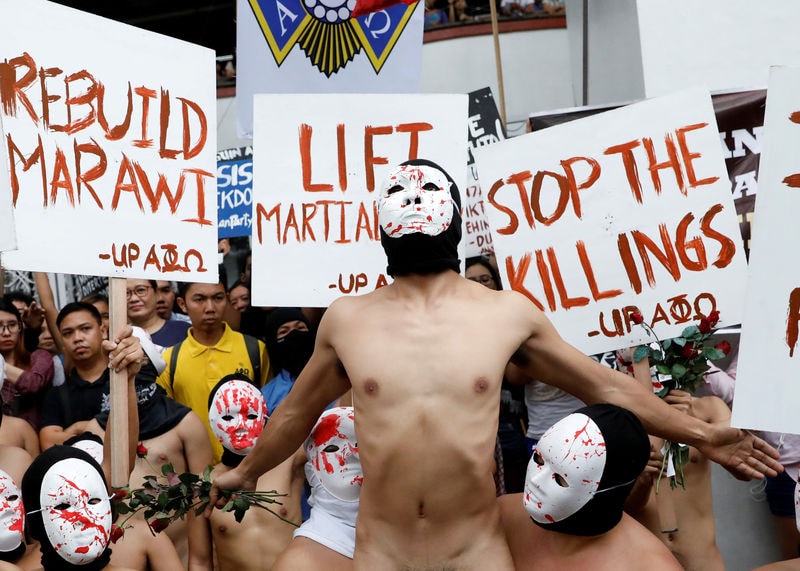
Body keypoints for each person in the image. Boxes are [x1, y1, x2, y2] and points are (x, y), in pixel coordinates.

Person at [206, 159, 781, 570]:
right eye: (399, 194)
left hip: (475, 551)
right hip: (380, 551)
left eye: (424, 191)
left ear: (455, 217)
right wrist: (244, 471)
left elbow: (605, 386)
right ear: (378, 224)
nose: (411, 200)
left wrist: (703, 434)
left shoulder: (507, 314)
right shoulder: (346, 320)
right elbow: (294, 416)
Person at [498, 403, 682, 570]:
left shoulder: (649, 565)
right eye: (539, 458)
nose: (537, 480)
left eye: (560, 478)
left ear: (605, 493)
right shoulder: (501, 516)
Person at [156, 278, 270, 463]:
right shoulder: (169, 360)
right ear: (182, 304)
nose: (209, 307)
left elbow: (268, 408)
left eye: (217, 298)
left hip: (248, 468)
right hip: (196, 474)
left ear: (227, 300)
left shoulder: (255, 350)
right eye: (199, 299)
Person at [207, 373, 305, 571]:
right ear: (213, 421)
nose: (241, 426)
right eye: (228, 416)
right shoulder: (205, 484)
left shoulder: (289, 460)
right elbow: (202, 560)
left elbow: (341, 415)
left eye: (250, 415)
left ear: (263, 414)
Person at [626, 389, 729, 570]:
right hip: (649, 561)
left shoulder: (708, 408)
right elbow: (621, 511)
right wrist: (641, 482)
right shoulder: (618, 422)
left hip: (703, 561)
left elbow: (746, 470)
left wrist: (697, 429)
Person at [273, 407, 361, 571]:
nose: (349, 454)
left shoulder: (404, 537)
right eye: (332, 449)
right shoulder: (299, 564)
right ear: (310, 470)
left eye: (359, 445)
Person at [37, 302, 110, 449]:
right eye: (68, 333)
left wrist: (79, 428)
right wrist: (103, 429)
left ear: (103, 331)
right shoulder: (57, 395)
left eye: (85, 329)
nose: (77, 338)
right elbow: (48, 441)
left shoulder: (124, 378)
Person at [0, 300, 54, 430]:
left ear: (20, 327)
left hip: (37, 439)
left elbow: (33, 383)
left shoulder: (40, 357)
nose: (6, 332)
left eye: (12, 325)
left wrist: (1, 366)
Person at [260, 308, 314, 414]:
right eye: (284, 331)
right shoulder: (265, 397)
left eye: (300, 327)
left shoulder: (336, 383)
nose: (294, 334)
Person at [125, 279, 189, 348]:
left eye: (141, 290)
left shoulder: (184, 331)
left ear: (156, 294)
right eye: (126, 293)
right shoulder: (117, 336)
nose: (133, 299)